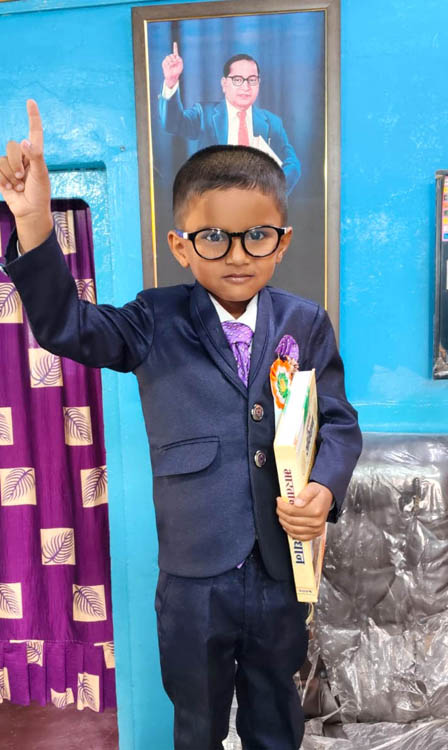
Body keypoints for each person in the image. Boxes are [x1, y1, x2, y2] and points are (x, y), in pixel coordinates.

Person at [0, 100, 362, 750]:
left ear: (282, 241)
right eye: (213, 237)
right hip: (194, 574)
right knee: (196, 724)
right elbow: (66, 326)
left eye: (257, 236)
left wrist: (325, 488)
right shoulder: (153, 318)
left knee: (275, 720)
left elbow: (336, 421)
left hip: (282, 570)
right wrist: (33, 224)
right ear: (181, 246)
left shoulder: (305, 323)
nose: (236, 255)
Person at [160, 47, 301, 196]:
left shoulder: (272, 122)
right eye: (238, 80)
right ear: (224, 84)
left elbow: (293, 163)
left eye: (252, 80)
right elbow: (173, 123)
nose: (246, 87)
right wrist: (171, 81)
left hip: (257, 204)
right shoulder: (204, 114)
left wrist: (272, 192)